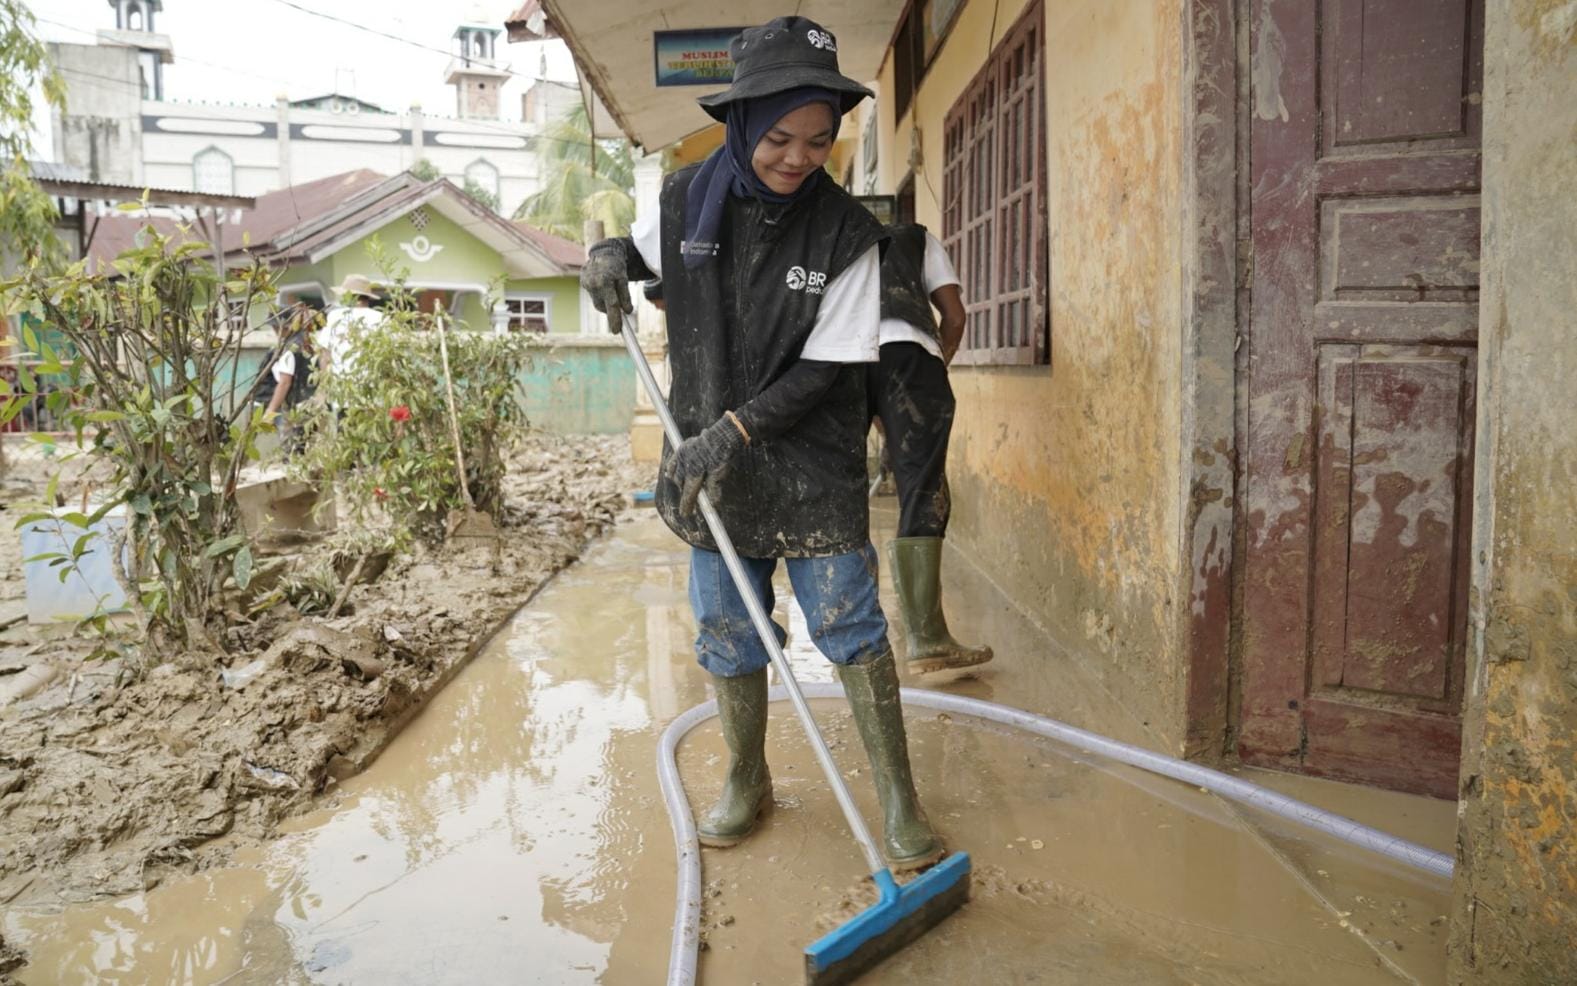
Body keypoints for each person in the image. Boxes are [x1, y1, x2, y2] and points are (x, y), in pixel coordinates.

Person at [581, 16, 944, 870]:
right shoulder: (681, 200)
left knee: (850, 623)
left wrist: (730, 432)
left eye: (819, 140)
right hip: (711, 467)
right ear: (743, 122)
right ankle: (748, 776)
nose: (797, 157)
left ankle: (898, 797)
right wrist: (602, 258)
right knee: (726, 628)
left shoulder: (849, 234)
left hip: (810, 462)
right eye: (779, 137)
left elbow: (826, 371)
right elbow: (626, 254)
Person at [871, 223, 994, 675]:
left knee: (840, 490)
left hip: (838, 358)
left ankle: (856, 637)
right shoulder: (916, 239)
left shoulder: (827, 233)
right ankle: (926, 638)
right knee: (923, 489)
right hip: (909, 355)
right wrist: (932, 369)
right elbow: (955, 316)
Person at [259, 302, 320, 452]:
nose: (274, 331)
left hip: (294, 407)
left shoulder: (289, 350)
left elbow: (285, 383)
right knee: (306, 449)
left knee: (292, 451)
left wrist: (270, 411)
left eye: (275, 327)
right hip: (311, 405)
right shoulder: (307, 344)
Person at [316, 274, 384, 382]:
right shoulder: (381, 318)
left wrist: (325, 385)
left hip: (341, 388)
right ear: (368, 297)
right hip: (372, 387)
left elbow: (325, 355)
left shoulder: (335, 316)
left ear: (347, 295)